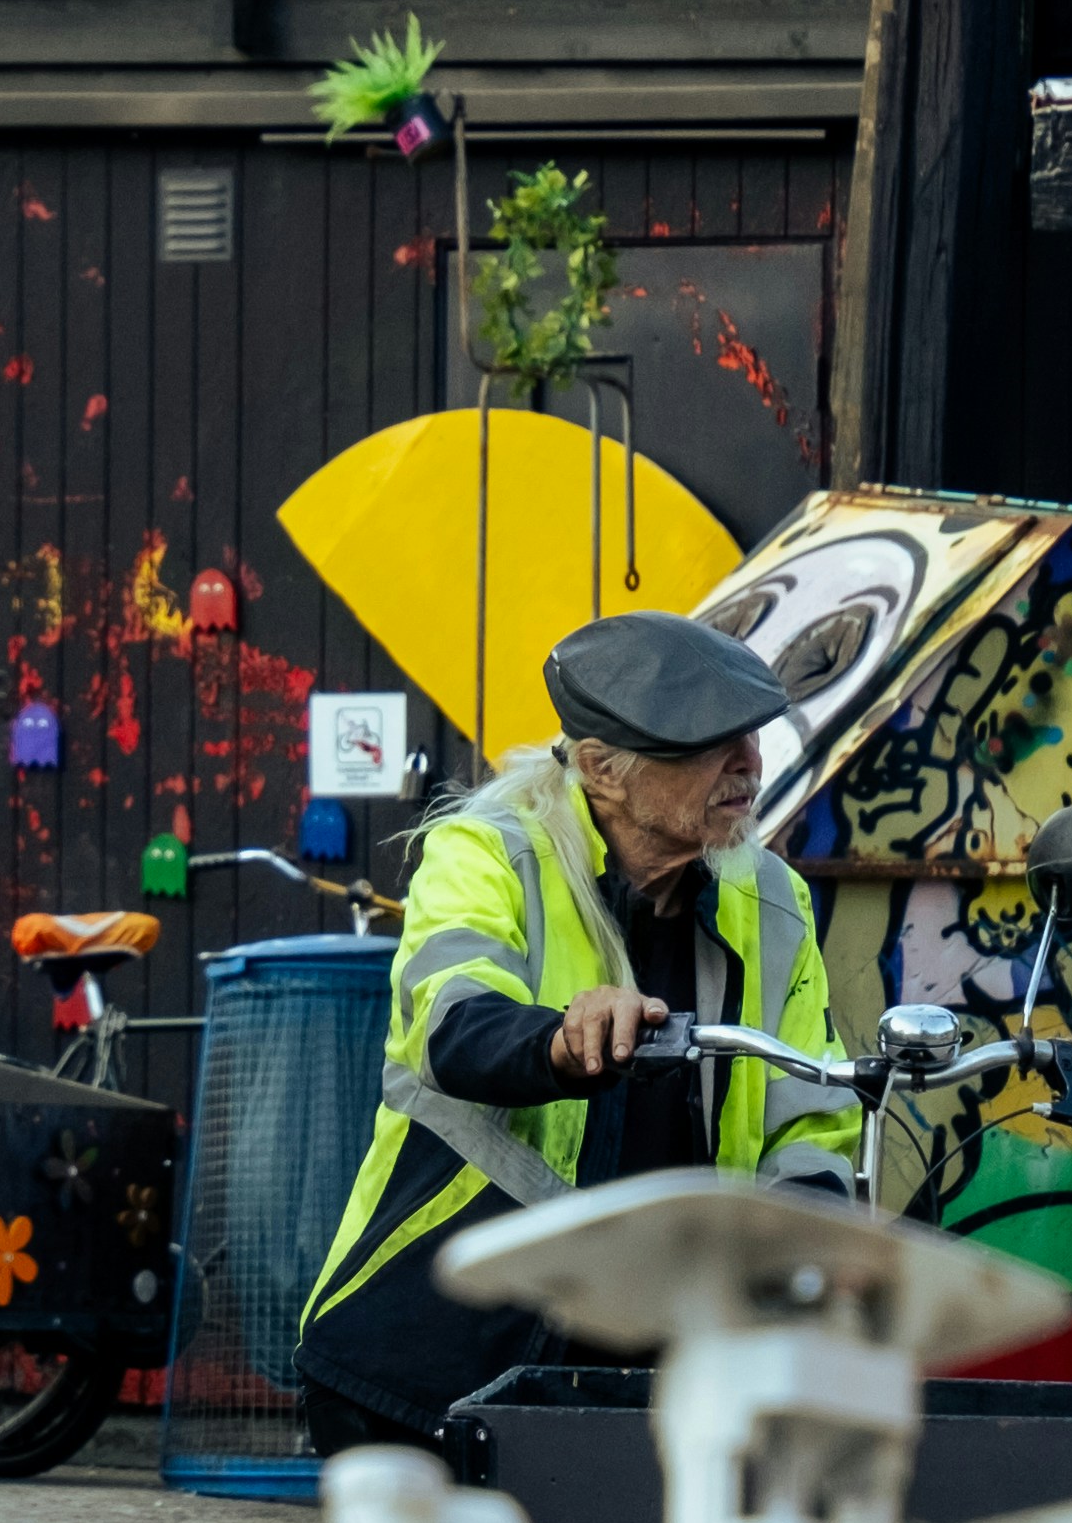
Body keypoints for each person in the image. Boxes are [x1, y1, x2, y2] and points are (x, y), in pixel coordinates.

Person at [296, 610, 857, 1455]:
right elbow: (453, 1020)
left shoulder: (774, 901)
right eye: (707, 743)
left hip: (651, 1386)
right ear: (602, 769)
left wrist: (800, 1263)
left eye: (751, 736)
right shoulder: (486, 854)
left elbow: (812, 1109)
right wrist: (563, 1040)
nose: (748, 763)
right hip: (428, 1359)